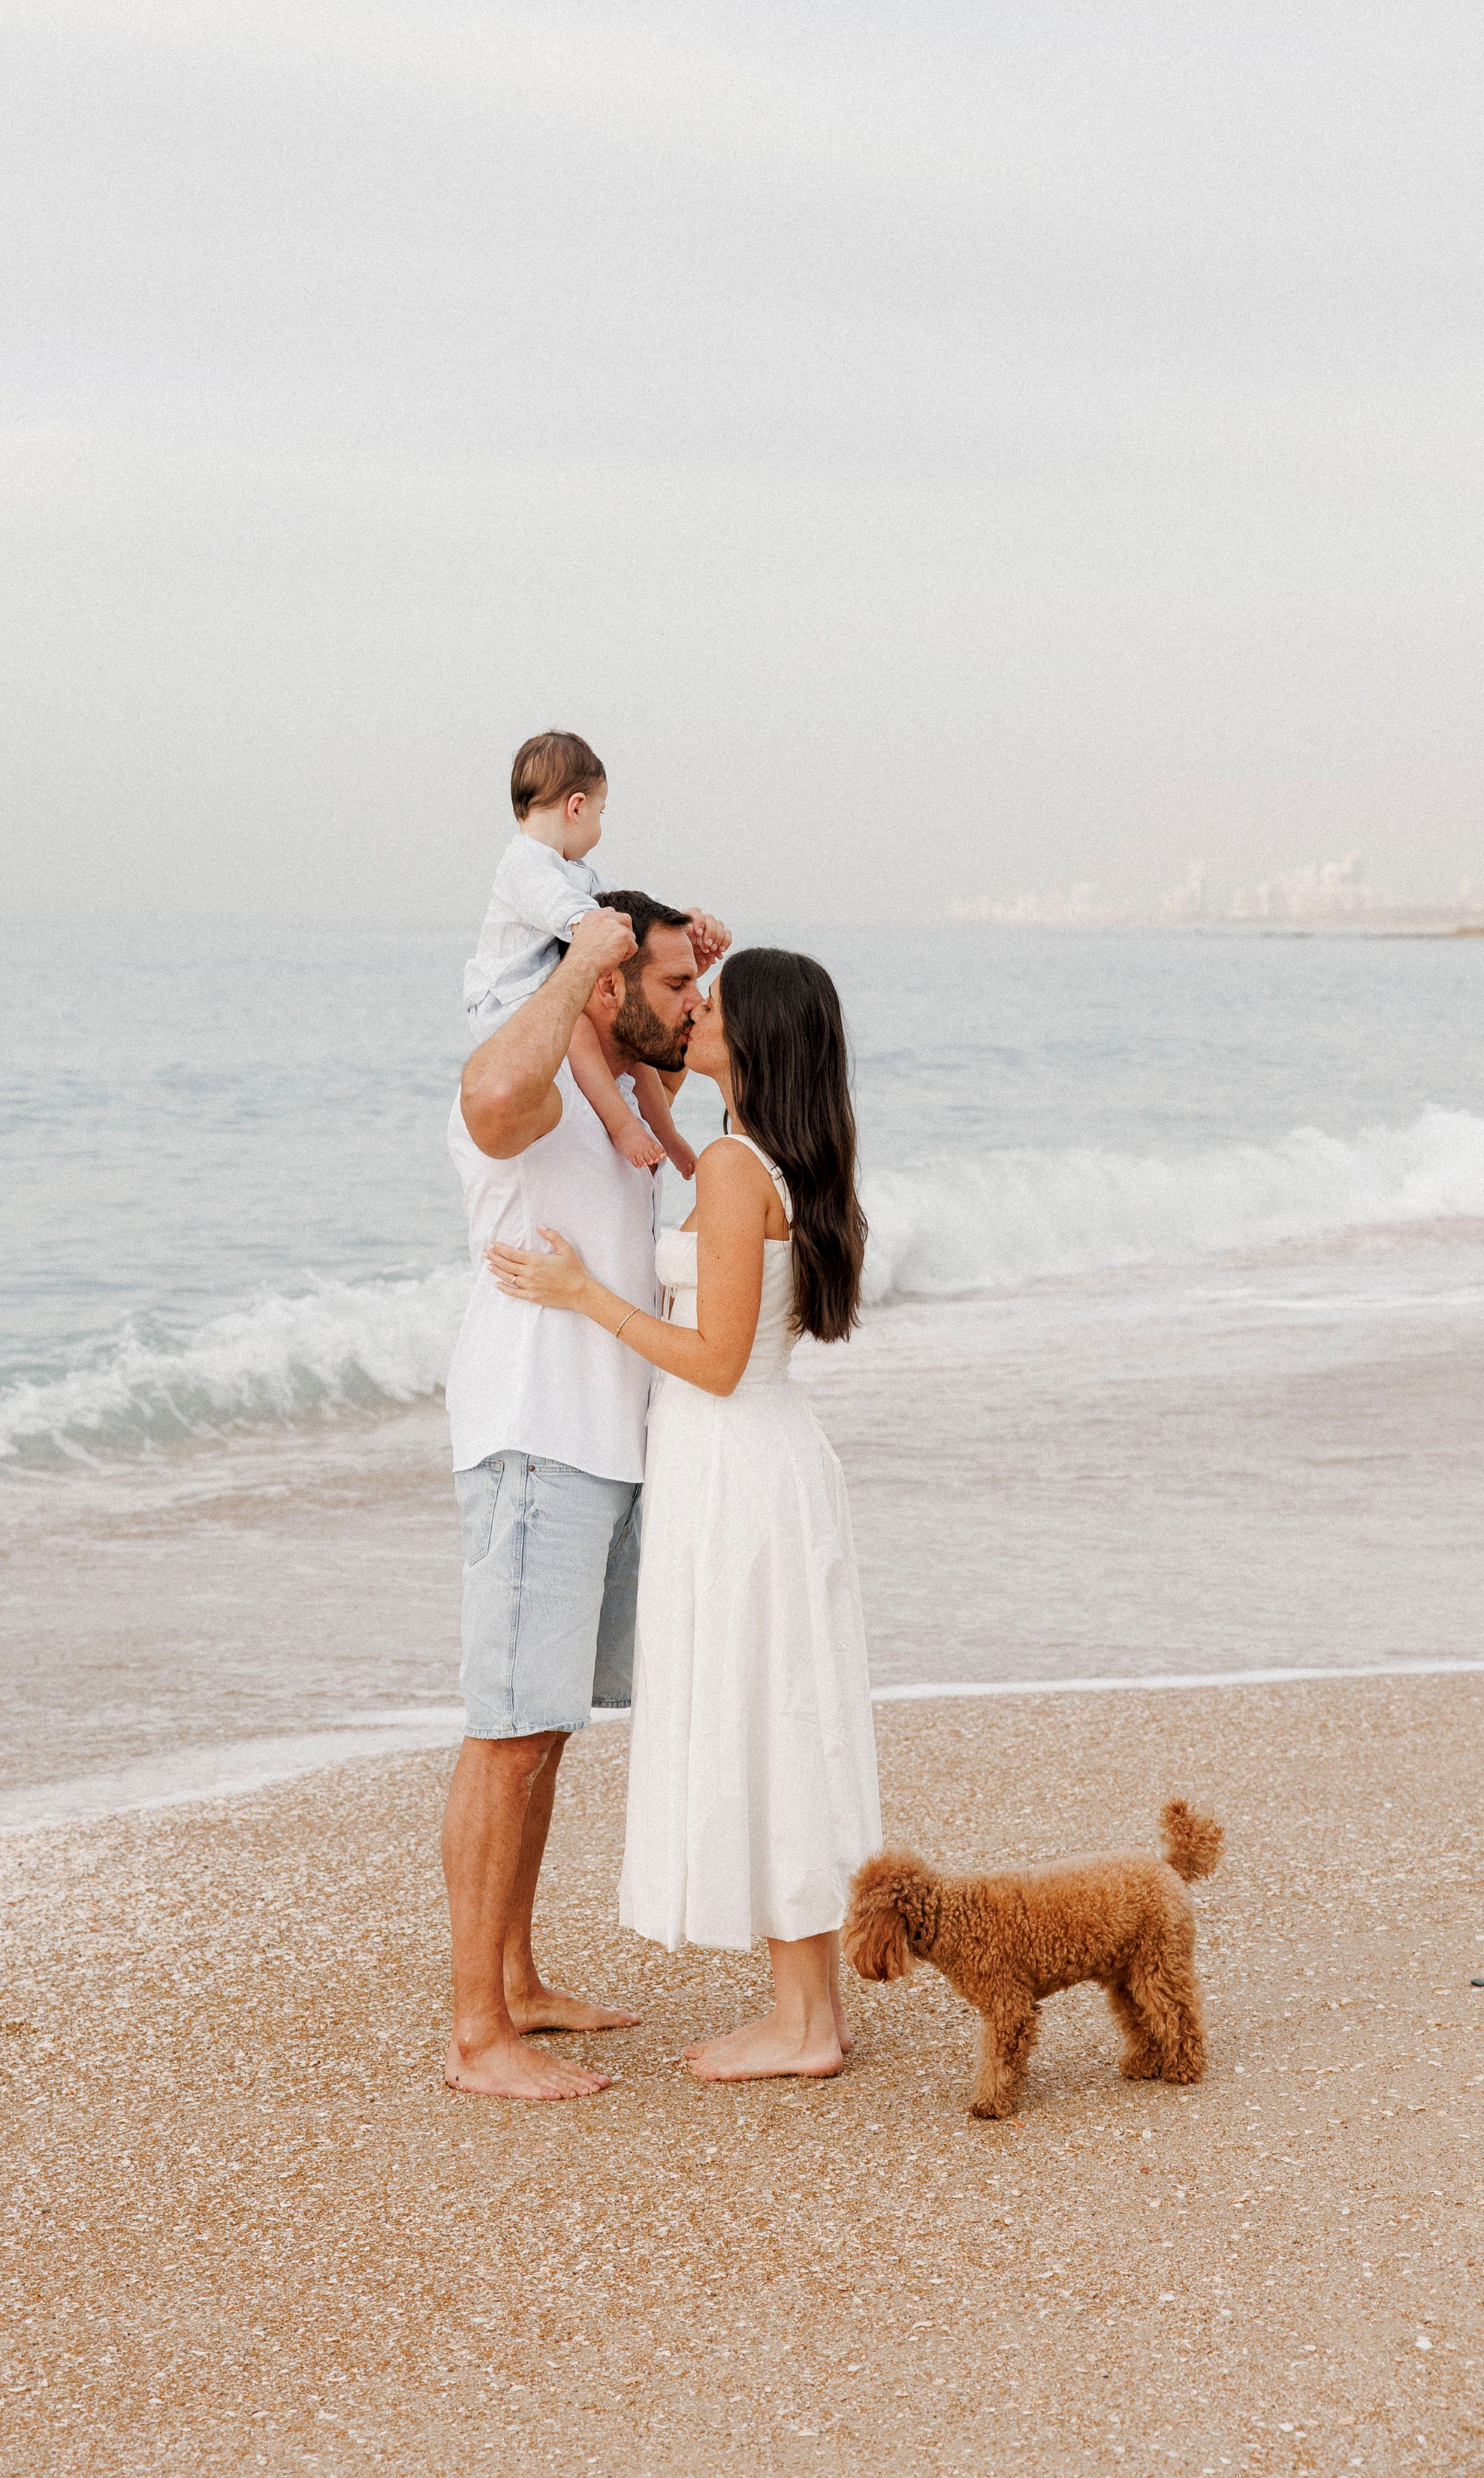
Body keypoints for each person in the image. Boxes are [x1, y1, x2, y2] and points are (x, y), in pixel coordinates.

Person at [488, 947, 881, 2084]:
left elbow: (712, 1358)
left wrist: (584, 1296)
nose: (695, 1008)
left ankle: (806, 2022)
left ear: (756, 1038)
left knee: (770, 1720)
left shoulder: (732, 1166)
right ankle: (806, 2010)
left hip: (737, 1466)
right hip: (763, 1462)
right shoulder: (767, 1157)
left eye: (713, 1003)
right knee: (781, 1718)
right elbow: (660, 1130)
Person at [442, 886, 728, 2100]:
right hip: (534, 1438)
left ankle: (515, 1981)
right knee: (506, 1735)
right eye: (671, 986)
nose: (691, 1003)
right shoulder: (538, 1082)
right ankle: (474, 2036)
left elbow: (707, 1139)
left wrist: (687, 1001)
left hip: (606, 1446)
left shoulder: (620, 1102)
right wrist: (581, 968)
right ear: (604, 983)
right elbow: (484, 1100)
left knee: (544, 1728)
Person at [465, 730, 699, 1179]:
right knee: (581, 1031)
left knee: (633, 1047)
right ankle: (622, 1124)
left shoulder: (574, 870)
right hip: (508, 1004)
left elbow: (625, 906)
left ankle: (667, 1133)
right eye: (601, 812)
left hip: (546, 991)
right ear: (576, 807)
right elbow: (565, 909)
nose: (600, 825)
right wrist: (589, 929)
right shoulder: (525, 862)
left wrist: (674, 927)